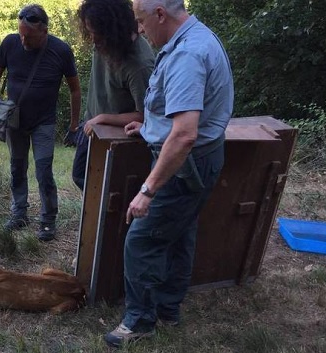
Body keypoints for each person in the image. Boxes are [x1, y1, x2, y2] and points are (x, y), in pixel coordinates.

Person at [104, 0, 234, 348]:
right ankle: (168, 309)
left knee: (142, 240)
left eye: (142, 21)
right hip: (198, 159)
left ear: (160, 14)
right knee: (179, 232)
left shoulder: (187, 55)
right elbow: (180, 116)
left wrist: (147, 190)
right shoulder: (199, 37)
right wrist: (150, 127)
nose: (140, 30)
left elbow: (185, 134)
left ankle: (140, 321)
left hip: (183, 163)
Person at [0, 4, 81, 241]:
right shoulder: (10, 43)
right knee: (17, 168)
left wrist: (74, 127)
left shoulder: (60, 50)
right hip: (16, 121)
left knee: (44, 171)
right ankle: (19, 214)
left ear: (44, 31)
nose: (23, 40)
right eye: (21, 33)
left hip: (44, 122)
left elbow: (75, 89)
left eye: (29, 36)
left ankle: (47, 221)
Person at [70, 0, 155, 191]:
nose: (92, 39)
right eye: (89, 32)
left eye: (95, 34)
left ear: (112, 30)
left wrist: (103, 119)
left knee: (111, 189)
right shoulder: (104, 43)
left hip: (118, 137)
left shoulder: (139, 65)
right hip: (91, 125)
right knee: (81, 176)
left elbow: (145, 115)